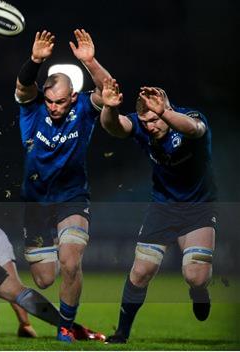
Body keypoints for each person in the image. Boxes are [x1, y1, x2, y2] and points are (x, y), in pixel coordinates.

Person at [14, 29, 114, 342]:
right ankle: (63, 315)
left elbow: (107, 89)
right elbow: (23, 86)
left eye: (59, 102)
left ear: (72, 98)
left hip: (72, 197)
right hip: (36, 202)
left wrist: (91, 61)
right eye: (49, 101)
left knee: (71, 262)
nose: (53, 107)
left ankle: (65, 327)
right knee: (44, 279)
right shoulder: (32, 111)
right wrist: (34, 61)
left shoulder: (83, 110)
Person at [99, 79, 217, 343]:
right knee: (140, 272)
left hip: (198, 207)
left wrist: (164, 112)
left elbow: (196, 130)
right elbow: (116, 127)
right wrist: (109, 108)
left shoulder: (190, 118)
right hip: (162, 207)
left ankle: (199, 292)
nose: (150, 126)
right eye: (146, 122)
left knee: (194, 276)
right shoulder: (144, 126)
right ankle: (122, 332)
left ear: (166, 108)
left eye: (155, 119)